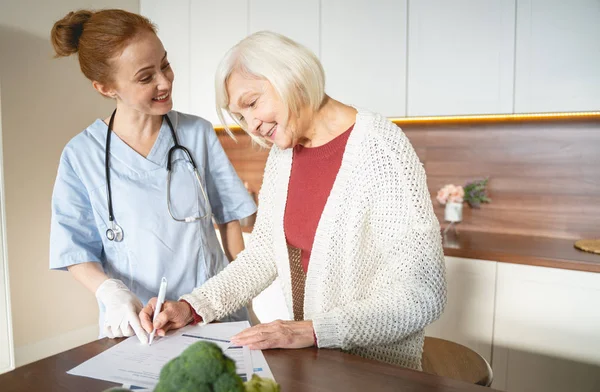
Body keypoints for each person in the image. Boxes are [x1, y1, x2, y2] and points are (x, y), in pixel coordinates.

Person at [141, 31, 446, 370]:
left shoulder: (380, 148)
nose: (252, 125)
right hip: (318, 366)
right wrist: (191, 307)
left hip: (376, 371)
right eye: (240, 117)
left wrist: (310, 331)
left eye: (252, 103)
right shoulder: (284, 154)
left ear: (292, 76)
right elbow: (262, 256)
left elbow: (422, 295)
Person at [49, 9, 256, 344]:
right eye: (146, 77)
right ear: (105, 88)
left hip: (214, 314)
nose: (165, 81)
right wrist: (110, 292)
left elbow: (230, 218)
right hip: (141, 325)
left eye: (165, 64)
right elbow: (74, 249)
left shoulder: (197, 133)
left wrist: (244, 298)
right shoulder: (80, 155)